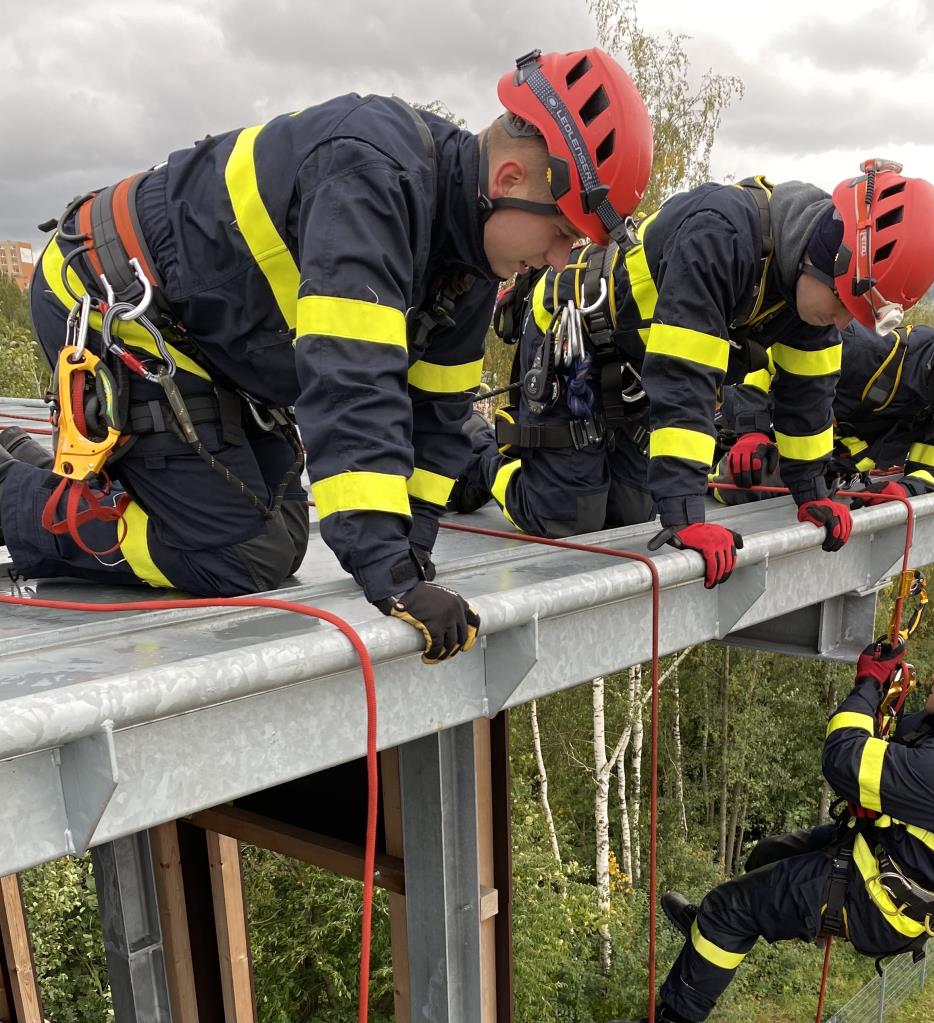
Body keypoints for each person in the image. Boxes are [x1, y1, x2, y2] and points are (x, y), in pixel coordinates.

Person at [0, 51, 652, 663]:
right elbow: (351, 387)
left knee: (280, 535)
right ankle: (15, 498)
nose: (564, 258)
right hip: (113, 298)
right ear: (509, 179)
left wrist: (412, 553)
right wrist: (387, 574)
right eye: (564, 231)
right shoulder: (371, 171)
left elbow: (437, 420)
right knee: (237, 553)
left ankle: (56, 472)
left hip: (215, 344)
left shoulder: (472, 264)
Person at [453, 161, 934, 580]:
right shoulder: (722, 233)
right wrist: (687, 514)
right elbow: (685, 376)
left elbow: (809, 395)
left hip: (633, 369)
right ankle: (475, 449)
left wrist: (812, 493)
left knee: (629, 513)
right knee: (564, 518)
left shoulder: (807, 284)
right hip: (569, 340)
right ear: (825, 255)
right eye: (843, 303)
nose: (841, 322)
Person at [602, 610, 934, 1023]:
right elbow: (918, 745)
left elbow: (844, 758)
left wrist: (868, 687)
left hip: (875, 897)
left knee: (730, 911)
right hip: (892, 858)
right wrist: (894, 691)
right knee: (768, 855)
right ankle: (708, 941)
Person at [712, 285, 934, 505]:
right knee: (738, 482)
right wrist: (750, 431)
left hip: (828, 474)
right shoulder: (863, 349)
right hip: (757, 441)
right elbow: (761, 359)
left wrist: (902, 491)